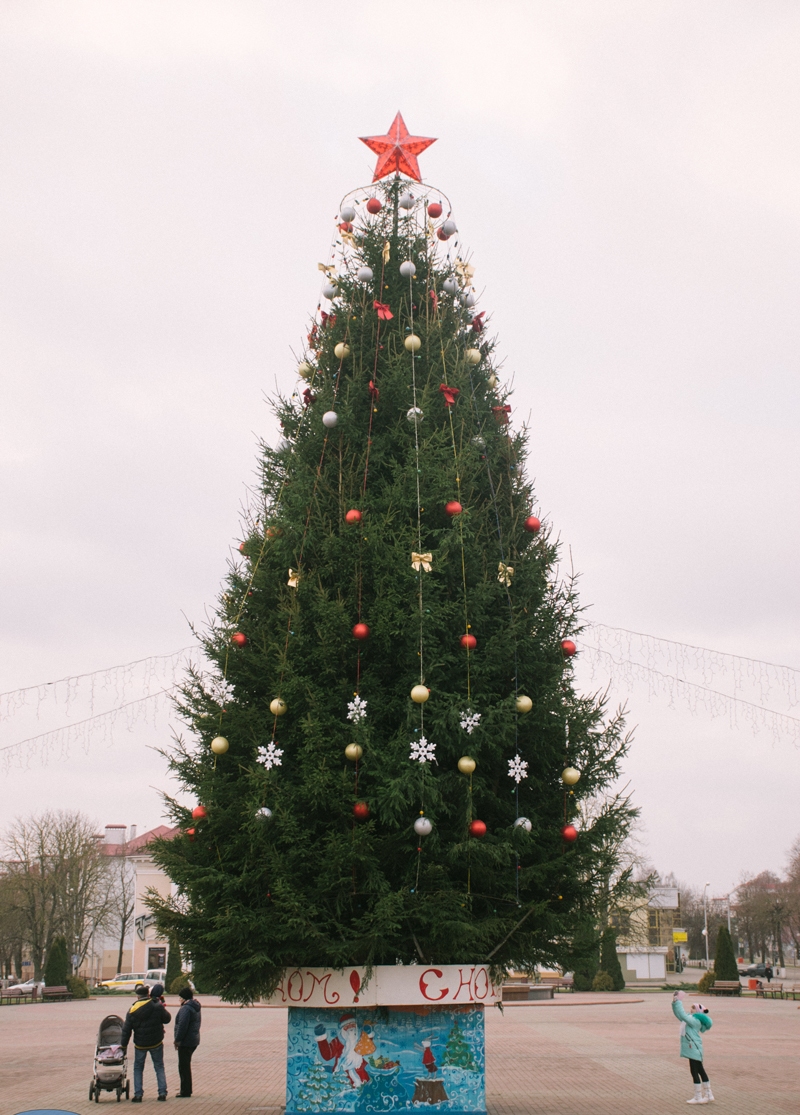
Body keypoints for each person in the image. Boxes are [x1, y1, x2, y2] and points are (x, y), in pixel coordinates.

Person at [121, 981, 171, 1102]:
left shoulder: (132, 1010)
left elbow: (126, 1030)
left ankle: (138, 1094)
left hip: (140, 1044)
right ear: (148, 995)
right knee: (159, 1066)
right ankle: (162, 1092)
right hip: (156, 1042)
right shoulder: (157, 1006)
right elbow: (167, 1019)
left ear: (137, 996)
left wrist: (123, 1046)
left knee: (138, 1068)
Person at [671, 991, 714, 1104]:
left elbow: (683, 1015)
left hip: (694, 1048)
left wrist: (679, 1001)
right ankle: (708, 1095)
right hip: (694, 1048)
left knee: (695, 1071)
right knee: (699, 1070)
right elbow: (679, 1014)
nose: (691, 1010)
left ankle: (698, 1096)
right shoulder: (690, 1019)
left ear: (699, 1011)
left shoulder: (695, 1021)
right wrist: (675, 1002)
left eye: (694, 1009)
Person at [173, 986, 201, 1098]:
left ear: (184, 998)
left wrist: (177, 1040)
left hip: (186, 1041)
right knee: (186, 1065)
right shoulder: (195, 1006)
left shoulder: (185, 1008)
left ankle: (185, 1091)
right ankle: (186, 1089)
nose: (179, 1000)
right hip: (193, 1039)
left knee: (183, 1067)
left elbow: (182, 1026)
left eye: (180, 997)